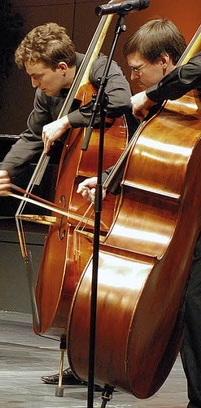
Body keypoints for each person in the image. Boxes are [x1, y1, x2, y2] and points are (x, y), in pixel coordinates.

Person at [0, 22, 134, 385]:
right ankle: (78, 361)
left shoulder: (100, 68)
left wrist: (67, 120)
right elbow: (33, 134)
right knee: (75, 280)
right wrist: (6, 170)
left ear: (62, 68)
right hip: (75, 198)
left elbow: (119, 104)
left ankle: (108, 361)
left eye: (38, 76)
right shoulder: (46, 94)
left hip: (115, 187)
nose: (35, 85)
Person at [77, 20, 199, 408]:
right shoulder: (175, 110)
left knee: (195, 307)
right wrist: (111, 180)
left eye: (136, 70)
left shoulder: (188, 101)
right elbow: (160, 161)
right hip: (187, 229)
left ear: (165, 62)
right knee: (192, 312)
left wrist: (153, 92)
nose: (131, 78)